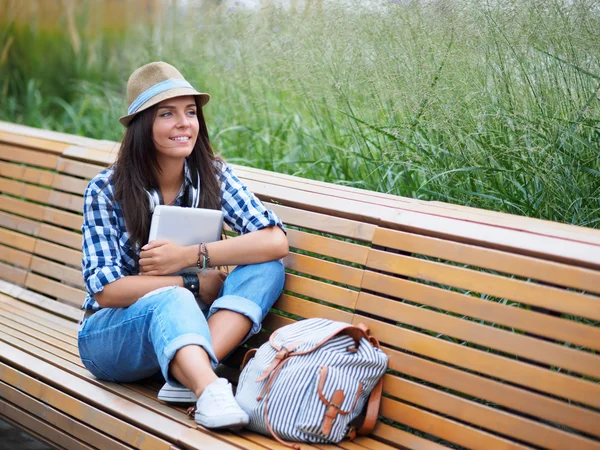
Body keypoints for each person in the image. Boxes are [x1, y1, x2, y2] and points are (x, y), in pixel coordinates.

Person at [78, 61, 288, 430]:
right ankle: (209, 389)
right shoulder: (107, 189)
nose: (184, 123)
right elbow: (107, 291)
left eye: (191, 112)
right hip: (112, 337)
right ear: (144, 126)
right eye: (168, 114)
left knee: (267, 267)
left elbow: (274, 240)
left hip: (195, 327)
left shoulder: (213, 175)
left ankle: (186, 377)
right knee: (172, 299)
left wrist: (192, 257)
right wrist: (191, 282)